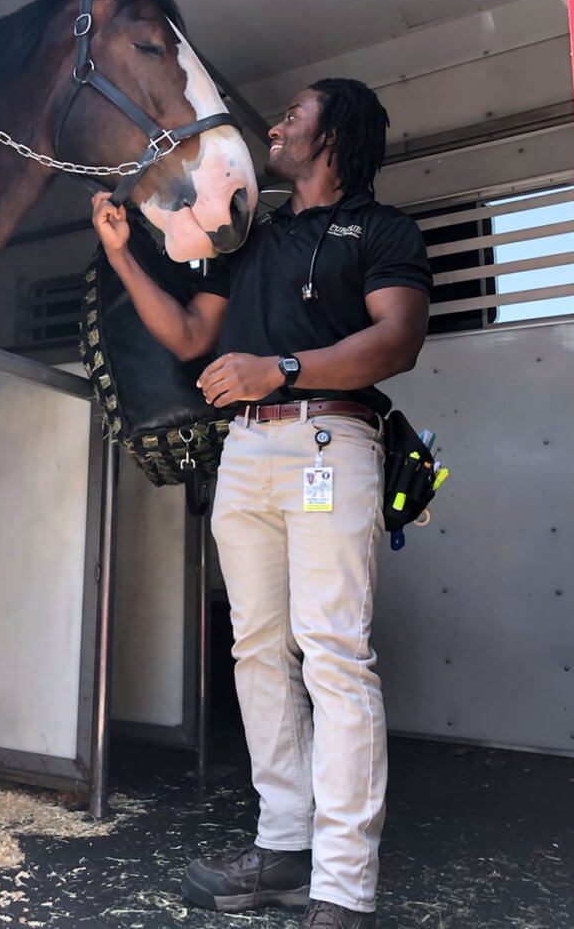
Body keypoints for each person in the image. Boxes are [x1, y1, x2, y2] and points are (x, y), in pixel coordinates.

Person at [91, 77, 432, 929]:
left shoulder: (384, 231)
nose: (275, 126)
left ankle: (345, 887)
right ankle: (284, 849)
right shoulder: (252, 241)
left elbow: (397, 340)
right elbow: (189, 338)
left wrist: (277, 369)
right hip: (247, 451)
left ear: (336, 136)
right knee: (256, 651)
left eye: (294, 115)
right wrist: (123, 255)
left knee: (333, 655)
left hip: (331, 441)